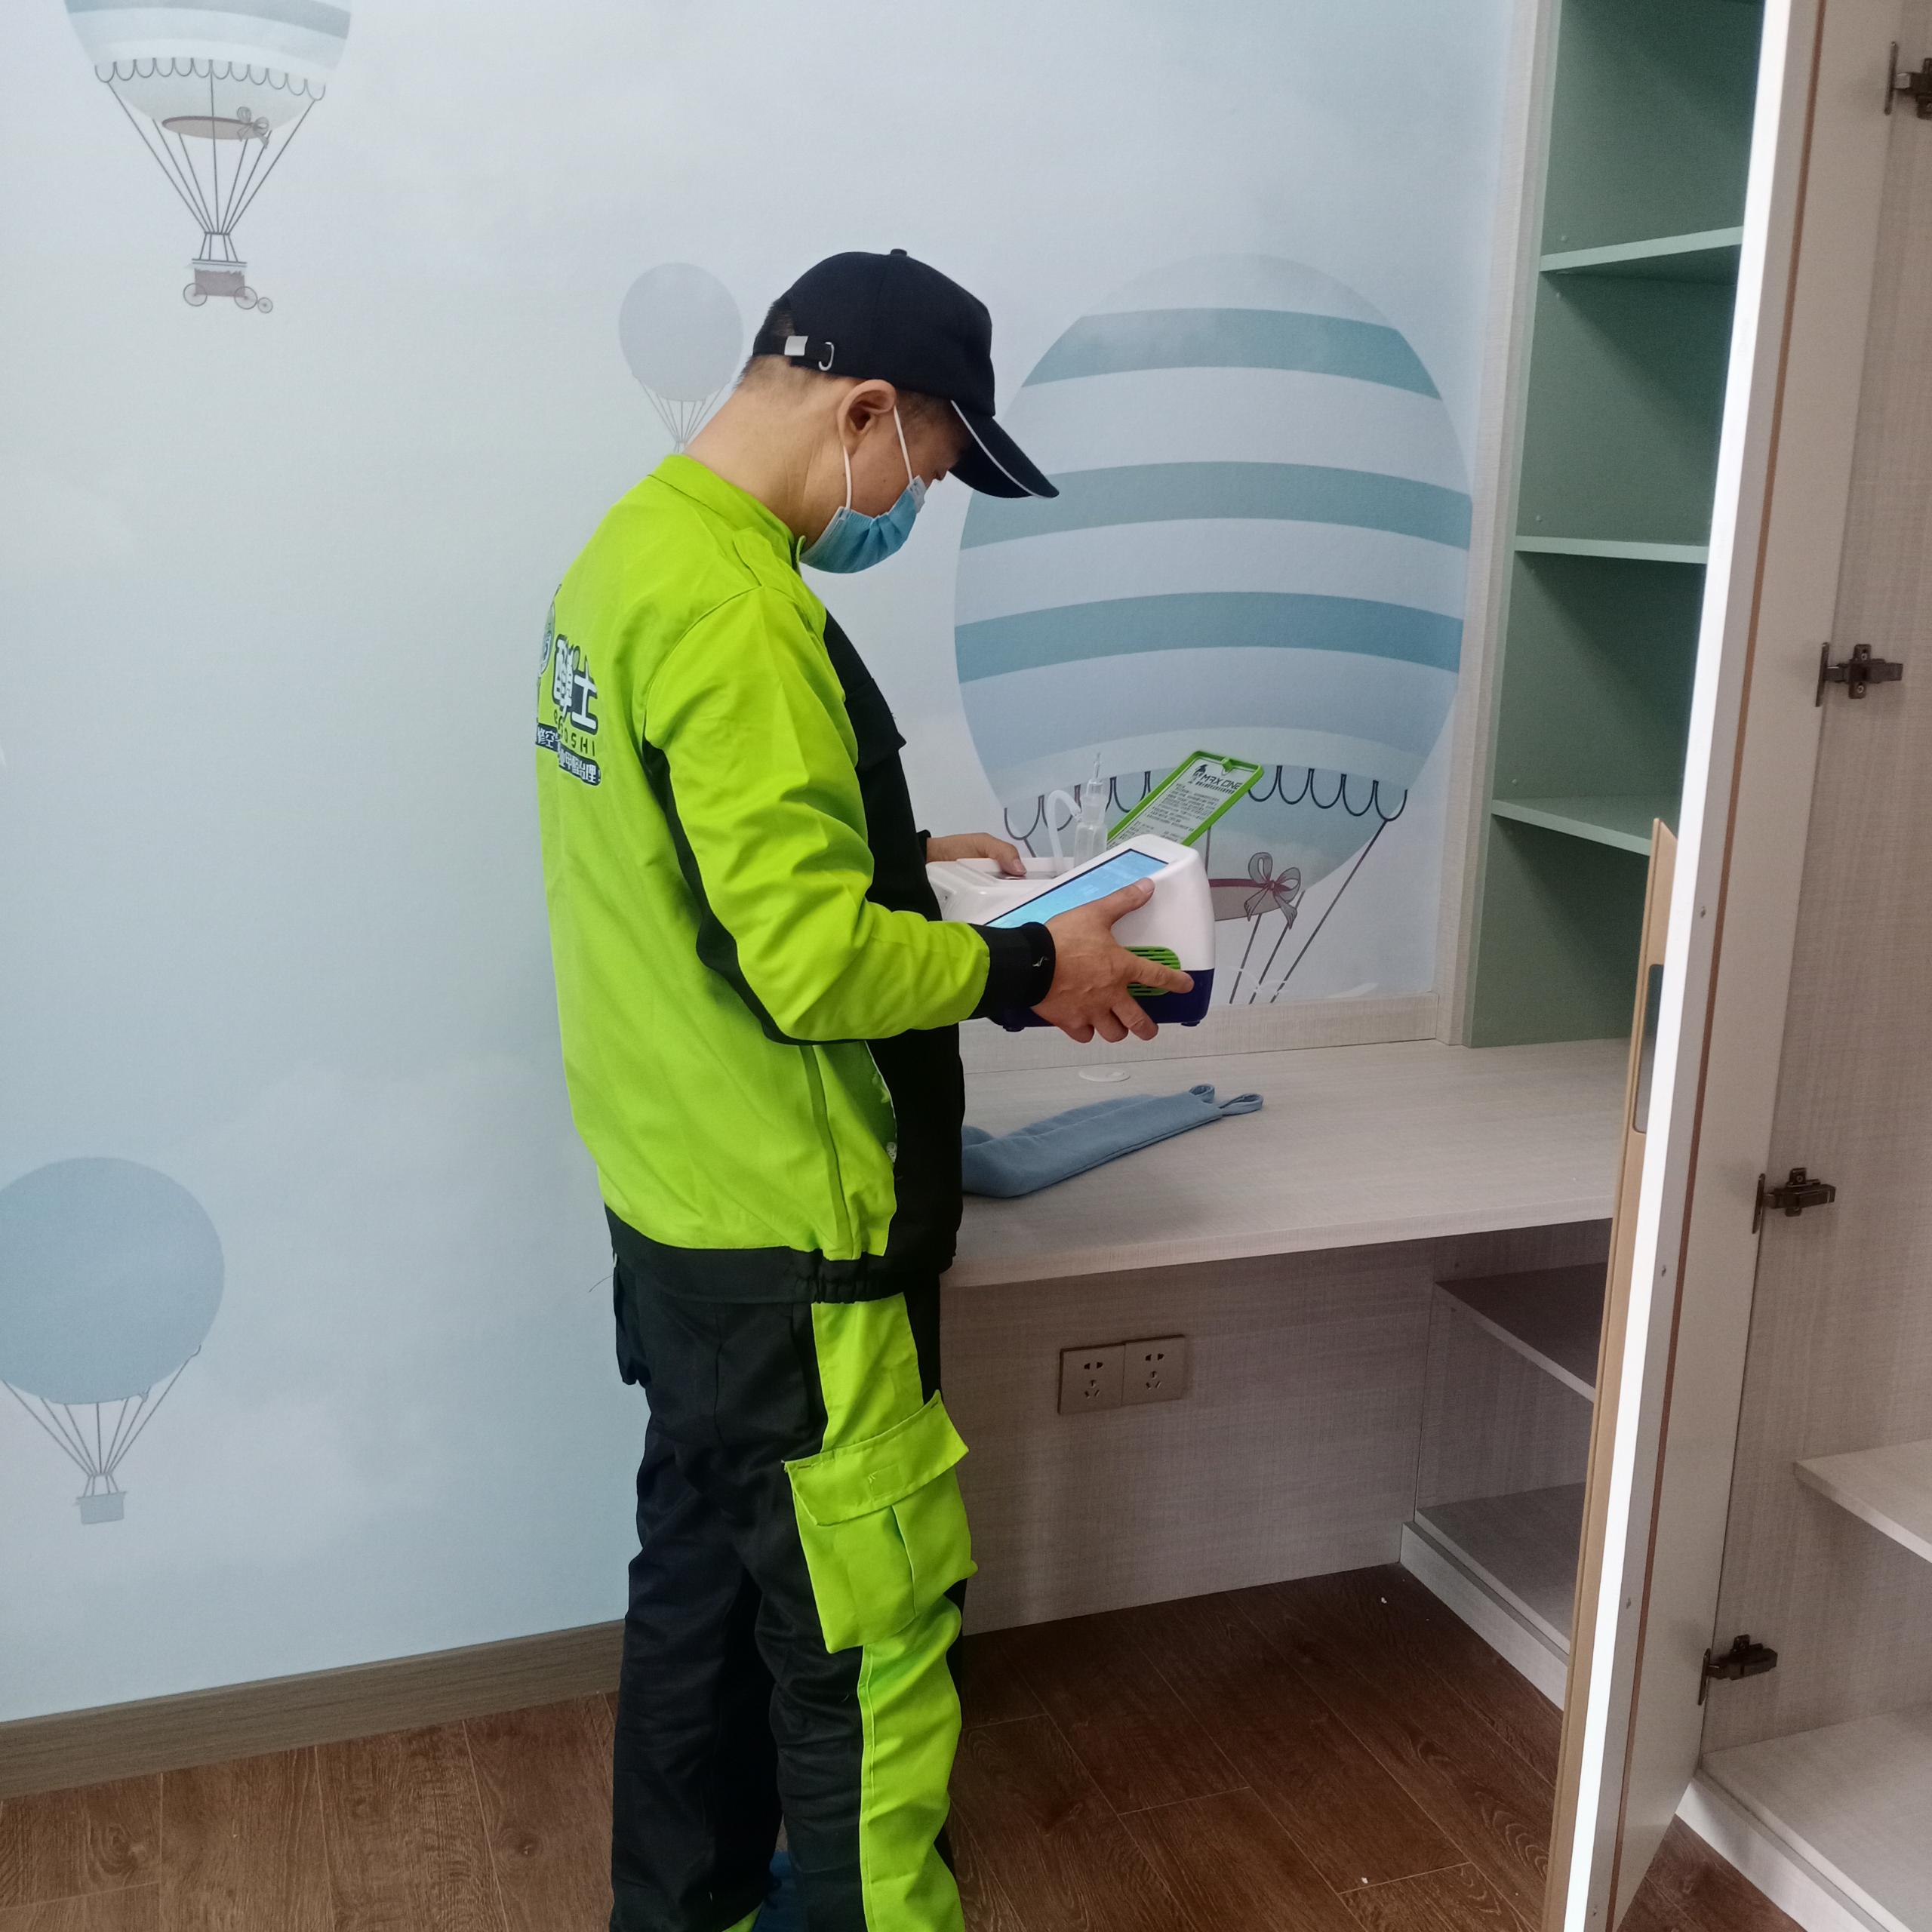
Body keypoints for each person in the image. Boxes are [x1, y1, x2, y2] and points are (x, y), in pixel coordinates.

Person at [534, 248, 1192, 1932]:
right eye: (930, 468)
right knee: (871, 1635)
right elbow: (810, 966)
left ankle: (681, 1910)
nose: (912, 503)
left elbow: (700, 863)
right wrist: (1031, 965)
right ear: (865, 412)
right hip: (799, 1233)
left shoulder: (632, 557)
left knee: (700, 1595)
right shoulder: (745, 614)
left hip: (676, 1205)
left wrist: (906, 856)